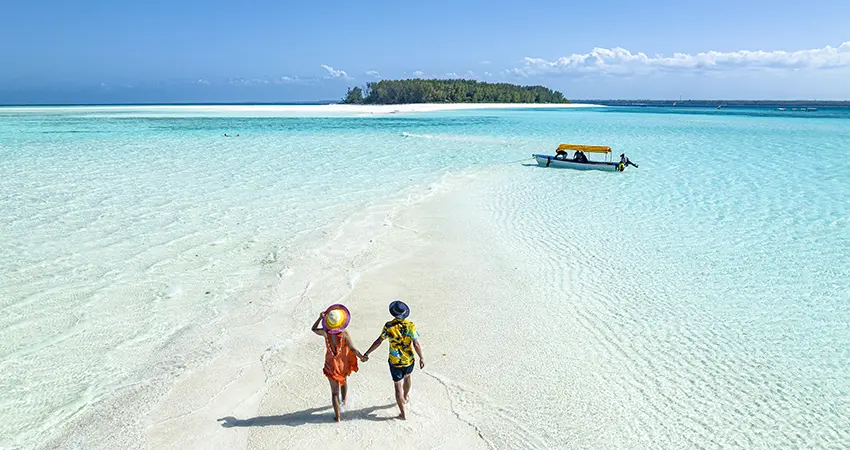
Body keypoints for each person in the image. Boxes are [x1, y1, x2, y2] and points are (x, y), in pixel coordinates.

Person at [362, 300, 424, 420]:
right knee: (407, 377)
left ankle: (403, 413)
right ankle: (405, 397)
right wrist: (421, 357)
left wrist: (367, 353)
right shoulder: (410, 325)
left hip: (395, 361)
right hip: (409, 360)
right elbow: (416, 344)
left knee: (397, 385)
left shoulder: (388, 326)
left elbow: (378, 341)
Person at [311, 304, 366, 422]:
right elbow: (352, 349)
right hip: (343, 364)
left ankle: (338, 417)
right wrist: (361, 357)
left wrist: (319, 318)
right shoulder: (344, 333)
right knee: (344, 381)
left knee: (334, 392)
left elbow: (314, 329)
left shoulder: (326, 333)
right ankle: (344, 402)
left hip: (331, 364)